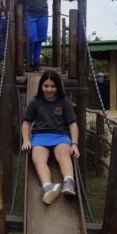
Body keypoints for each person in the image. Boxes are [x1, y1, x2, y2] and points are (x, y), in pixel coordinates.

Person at [21, 70, 79, 205]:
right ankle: (48, 187)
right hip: (40, 137)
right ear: (41, 86)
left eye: (53, 86)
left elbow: (73, 124)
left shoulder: (64, 102)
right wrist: (26, 140)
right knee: (38, 158)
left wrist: (75, 144)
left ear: (58, 87)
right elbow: (26, 123)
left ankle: (69, 182)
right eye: (46, 86)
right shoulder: (35, 102)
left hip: (60, 136)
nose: (49, 89)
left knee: (63, 154)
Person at [15, 0, 76, 70]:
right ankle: (30, 61)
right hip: (30, 15)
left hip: (43, 15)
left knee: (39, 40)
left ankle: (36, 62)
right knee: (32, 39)